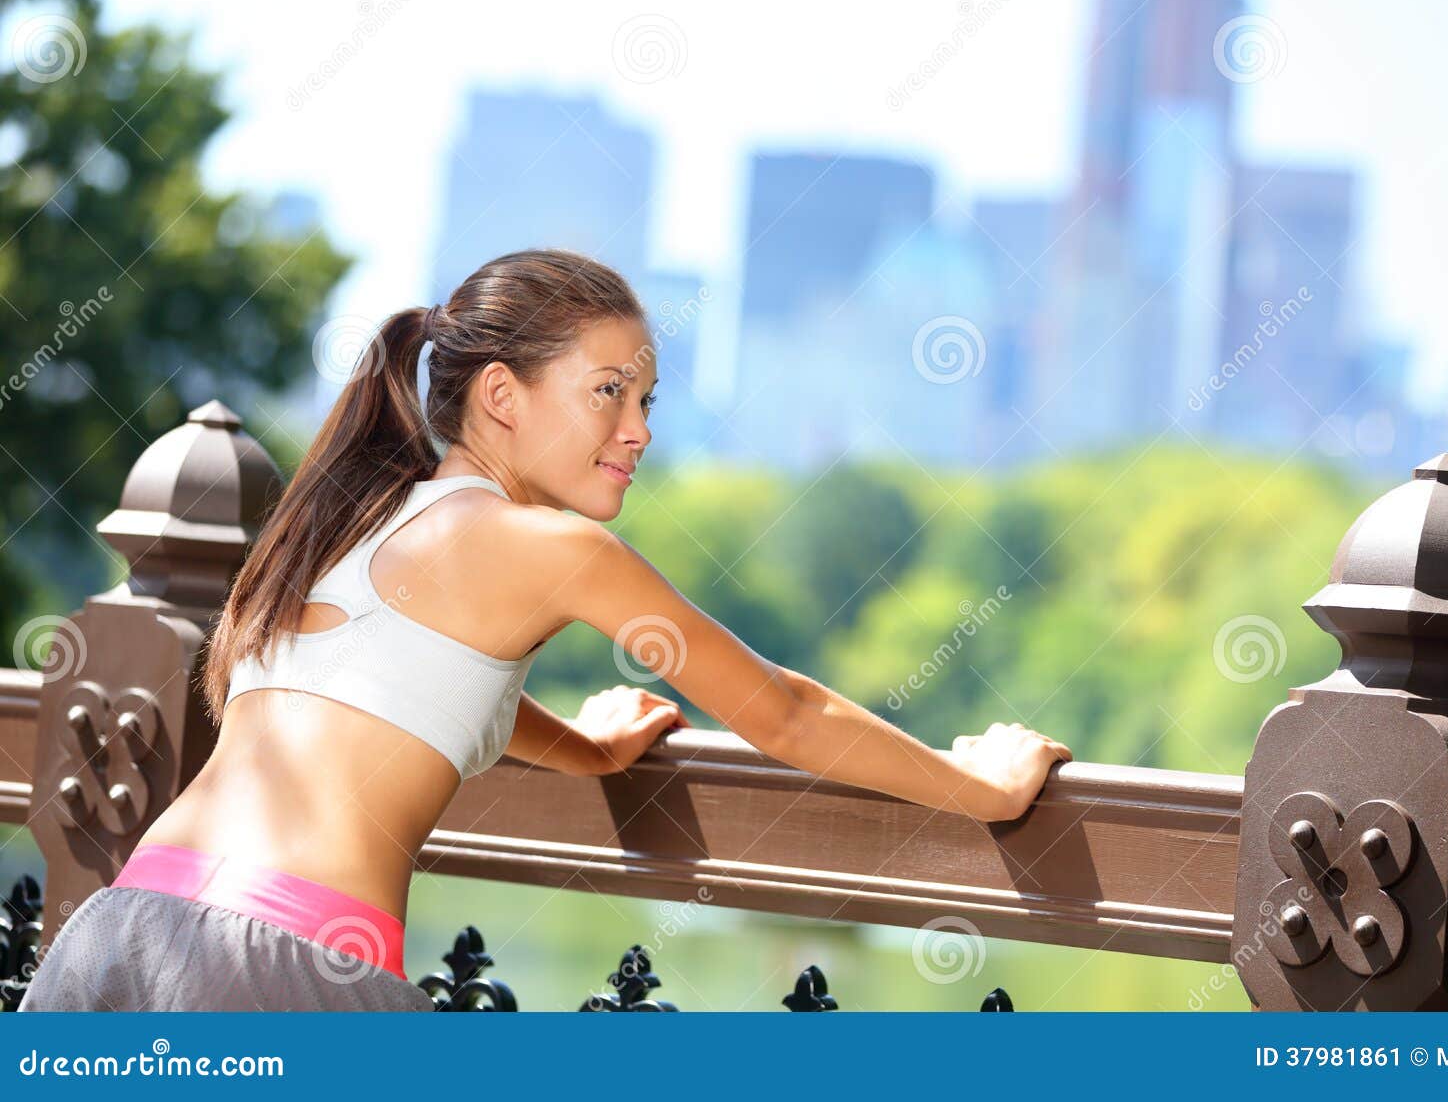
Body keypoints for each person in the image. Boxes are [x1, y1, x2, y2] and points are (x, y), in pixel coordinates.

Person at [20, 248, 1072, 1012]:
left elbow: (408, 684)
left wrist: (586, 748)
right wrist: (980, 784)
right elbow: (786, 711)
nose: (640, 430)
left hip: (121, 932)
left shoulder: (344, 516)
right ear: (501, 395)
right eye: (609, 390)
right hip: (290, 968)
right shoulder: (549, 546)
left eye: (649, 397)